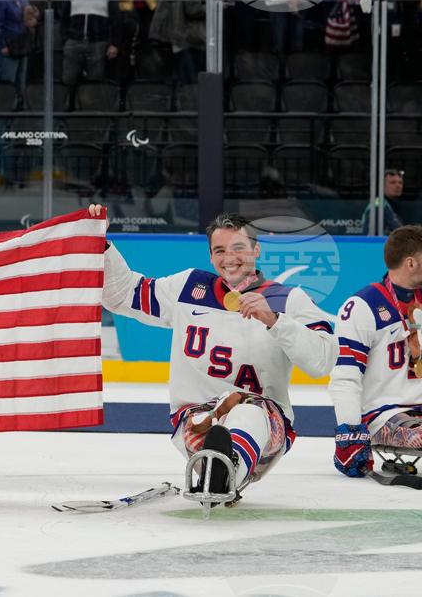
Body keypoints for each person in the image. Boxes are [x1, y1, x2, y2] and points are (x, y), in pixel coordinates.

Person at [89, 206, 338, 499]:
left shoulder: (288, 299)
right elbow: (123, 296)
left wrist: (275, 320)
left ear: (256, 250)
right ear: (210, 256)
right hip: (196, 418)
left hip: (265, 424)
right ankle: (216, 471)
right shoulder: (188, 287)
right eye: (219, 250)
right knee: (205, 426)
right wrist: (101, 244)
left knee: (247, 412)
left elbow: (323, 361)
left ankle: (225, 470)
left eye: (238, 248)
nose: (229, 257)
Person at [329, 225, 422, 478]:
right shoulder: (362, 306)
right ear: (411, 263)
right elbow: (345, 378)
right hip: (384, 414)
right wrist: (349, 431)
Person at [59, 0, 122, 86]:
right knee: (68, 79)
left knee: (95, 82)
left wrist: (114, 43)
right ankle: (69, 106)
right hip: (74, 42)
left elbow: (116, 20)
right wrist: (66, 40)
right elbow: (64, 18)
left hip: (98, 44)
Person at [151, 0, 208, 85]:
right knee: (193, 81)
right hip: (191, 36)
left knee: (184, 80)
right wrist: (214, 7)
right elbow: (193, 9)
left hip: (176, 35)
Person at [361, 169, 406, 235]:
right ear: (382, 186)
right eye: (393, 182)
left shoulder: (391, 205)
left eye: (400, 182)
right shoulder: (380, 207)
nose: (398, 186)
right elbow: (401, 233)